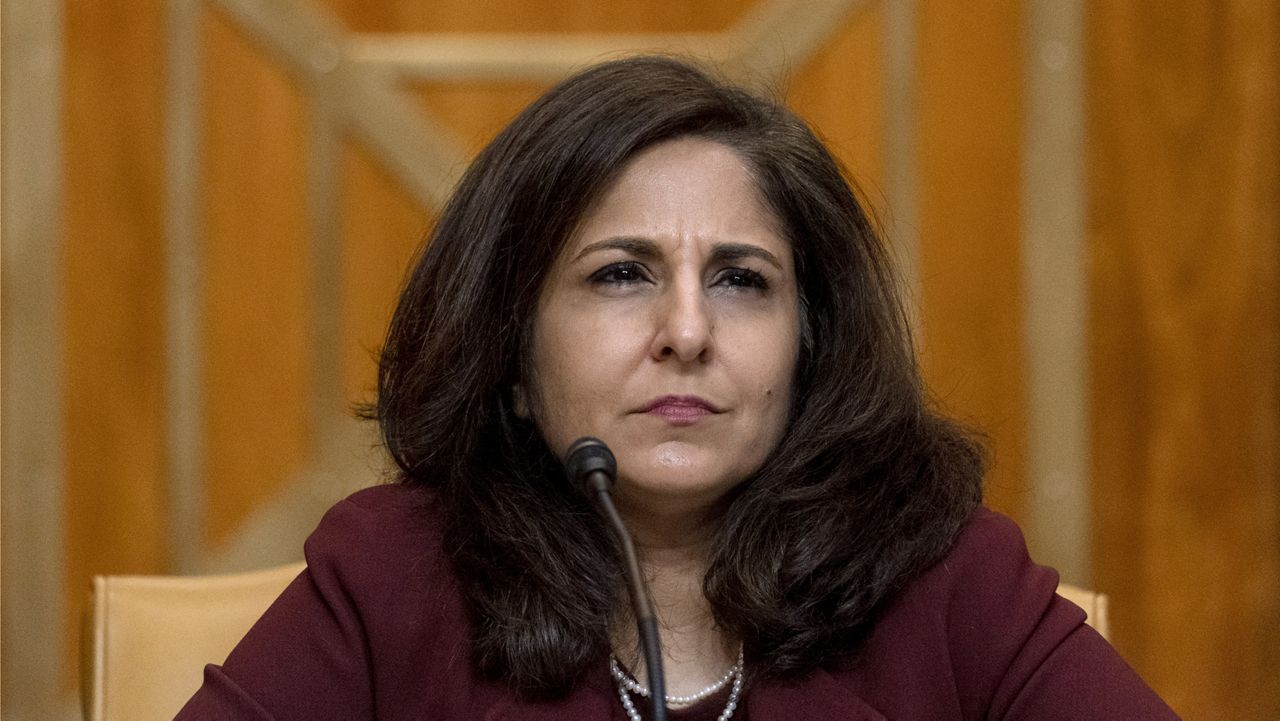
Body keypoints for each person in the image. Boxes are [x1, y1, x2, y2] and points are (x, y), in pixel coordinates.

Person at [176, 56, 1178, 720]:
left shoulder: (947, 579)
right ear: (513, 351)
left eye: (741, 281)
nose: (688, 332)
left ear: (808, 346)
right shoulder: (390, 576)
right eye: (621, 274)